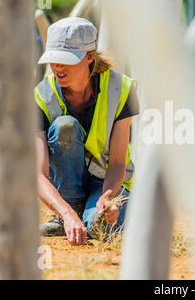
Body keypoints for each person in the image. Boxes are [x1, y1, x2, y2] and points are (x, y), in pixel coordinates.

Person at [35, 17, 138, 245]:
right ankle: (72, 211)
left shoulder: (121, 89)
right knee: (65, 127)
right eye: (53, 59)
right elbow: (38, 175)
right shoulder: (42, 96)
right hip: (68, 192)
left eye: (65, 60)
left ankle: (90, 213)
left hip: (110, 182)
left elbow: (118, 163)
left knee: (101, 228)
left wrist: (108, 198)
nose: (57, 67)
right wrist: (65, 212)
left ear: (90, 56)